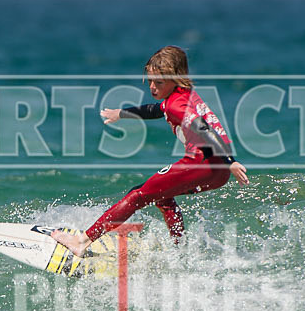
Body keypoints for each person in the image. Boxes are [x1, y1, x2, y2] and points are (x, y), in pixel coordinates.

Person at [51, 45, 249, 256]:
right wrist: (122, 113)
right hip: (217, 172)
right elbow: (155, 110)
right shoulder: (183, 94)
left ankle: (82, 241)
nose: (152, 87)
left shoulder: (177, 106)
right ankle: (179, 251)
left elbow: (203, 128)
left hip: (203, 163)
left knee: (137, 195)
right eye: (150, 81)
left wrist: (231, 161)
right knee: (161, 196)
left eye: (159, 82)